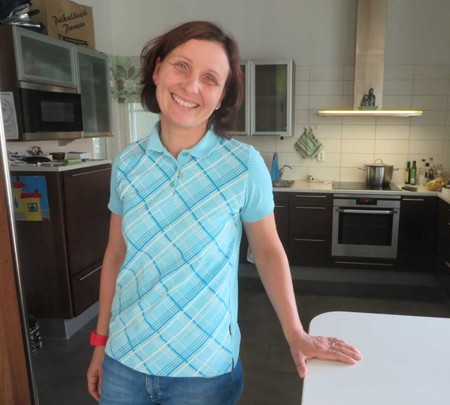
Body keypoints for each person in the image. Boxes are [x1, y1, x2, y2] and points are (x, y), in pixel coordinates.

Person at [87, 20, 361, 404]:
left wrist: (295, 333)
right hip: (124, 362)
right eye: (181, 66)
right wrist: (100, 343)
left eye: (210, 79)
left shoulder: (243, 165)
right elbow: (116, 256)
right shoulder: (127, 163)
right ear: (158, 70)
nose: (191, 86)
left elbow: (267, 252)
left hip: (204, 372)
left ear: (221, 97)